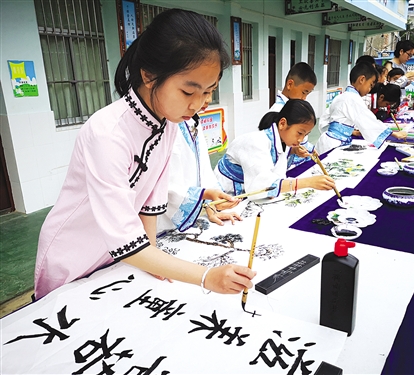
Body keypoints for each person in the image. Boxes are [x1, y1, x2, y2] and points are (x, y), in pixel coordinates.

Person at [34, 9, 255, 300]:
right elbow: (124, 235)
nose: (199, 104)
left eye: (208, 91)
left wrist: (150, 258)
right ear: (149, 76)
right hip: (75, 255)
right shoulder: (107, 133)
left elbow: (150, 200)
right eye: (189, 92)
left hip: (125, 254)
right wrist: (205, 276)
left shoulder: (167, 122)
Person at [156, 83, 242, 233]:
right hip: (160, 224)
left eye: (211, 91)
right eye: (190, 92)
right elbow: (165, 184)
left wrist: (212, 205)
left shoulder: (192, 120)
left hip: (188, 221)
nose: (207, 99)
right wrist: (205, 195)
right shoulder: (161, 124)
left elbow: (203, 169)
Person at [214, 99, 336, 198]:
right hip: (223, 194)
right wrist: (308, 182)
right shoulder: (256, 142)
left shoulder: (285, 143)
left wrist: (293, 151)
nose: (301, 140)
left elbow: (277, 175)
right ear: (282, 124)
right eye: (299, 133)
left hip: (244, 192)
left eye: (306, 135)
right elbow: (261, 186)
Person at [315, 63, 407, 155]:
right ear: (362, 79)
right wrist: (394, 134)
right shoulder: (353, 99)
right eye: (370, 85)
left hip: (329, 140)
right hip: (334, 143)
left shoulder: (343, 96)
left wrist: (349, 130)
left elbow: (326, 119)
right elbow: (368, 120)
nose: (369, 89)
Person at [269, 62, 317, 168]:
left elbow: (302, 141)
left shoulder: (296, 107)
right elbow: (273, 148)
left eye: (307, 94)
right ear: (290, 84)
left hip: (300, 161)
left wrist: (310, 148)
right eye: (303, 92)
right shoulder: (277, 112)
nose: (304, 98)